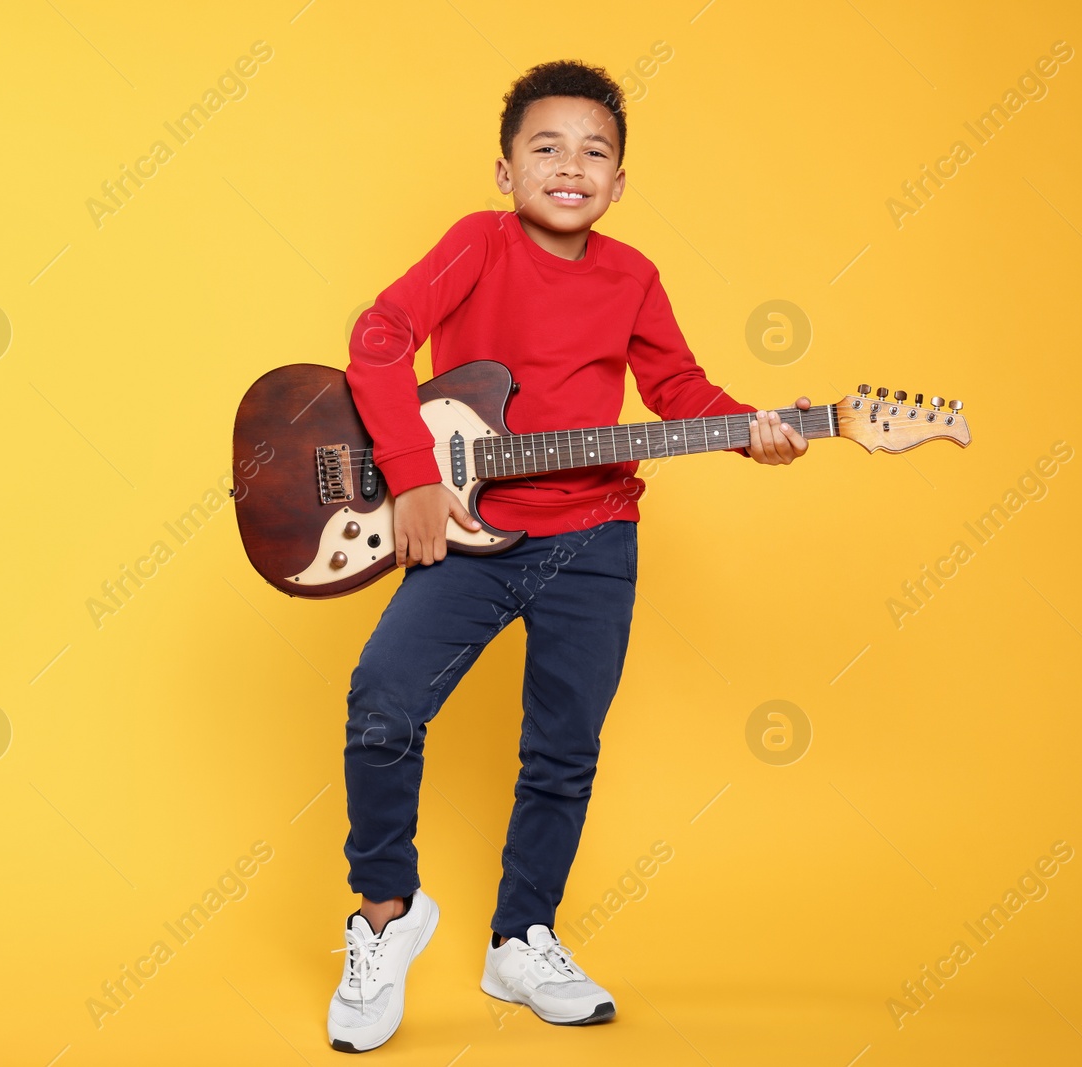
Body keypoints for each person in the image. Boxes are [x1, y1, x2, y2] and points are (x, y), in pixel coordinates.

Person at [327, 59, 811, 1053]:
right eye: (545, 147)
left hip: (593, 537)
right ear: (504, 170)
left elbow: (677, 388)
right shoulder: (475, 245)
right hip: (463, 530)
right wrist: (414, 475)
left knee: (562, 749)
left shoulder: (632, 275)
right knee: (382, 703)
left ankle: (521, 936)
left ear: (620, 182)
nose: (569, 165)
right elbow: (379, 339)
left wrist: (758, 425)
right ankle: (384, 914)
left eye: (595, 152)